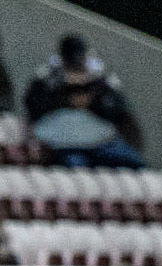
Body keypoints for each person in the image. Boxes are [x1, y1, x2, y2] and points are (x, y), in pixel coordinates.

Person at [24, 34, 144, 169]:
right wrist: (63, 99)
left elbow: (118, 108)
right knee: (76, 169)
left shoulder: (99, 78)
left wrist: (92, 101)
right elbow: (33, 107)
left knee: (136, 163)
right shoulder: (47, 77)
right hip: (65, 143)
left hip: (101, 141)